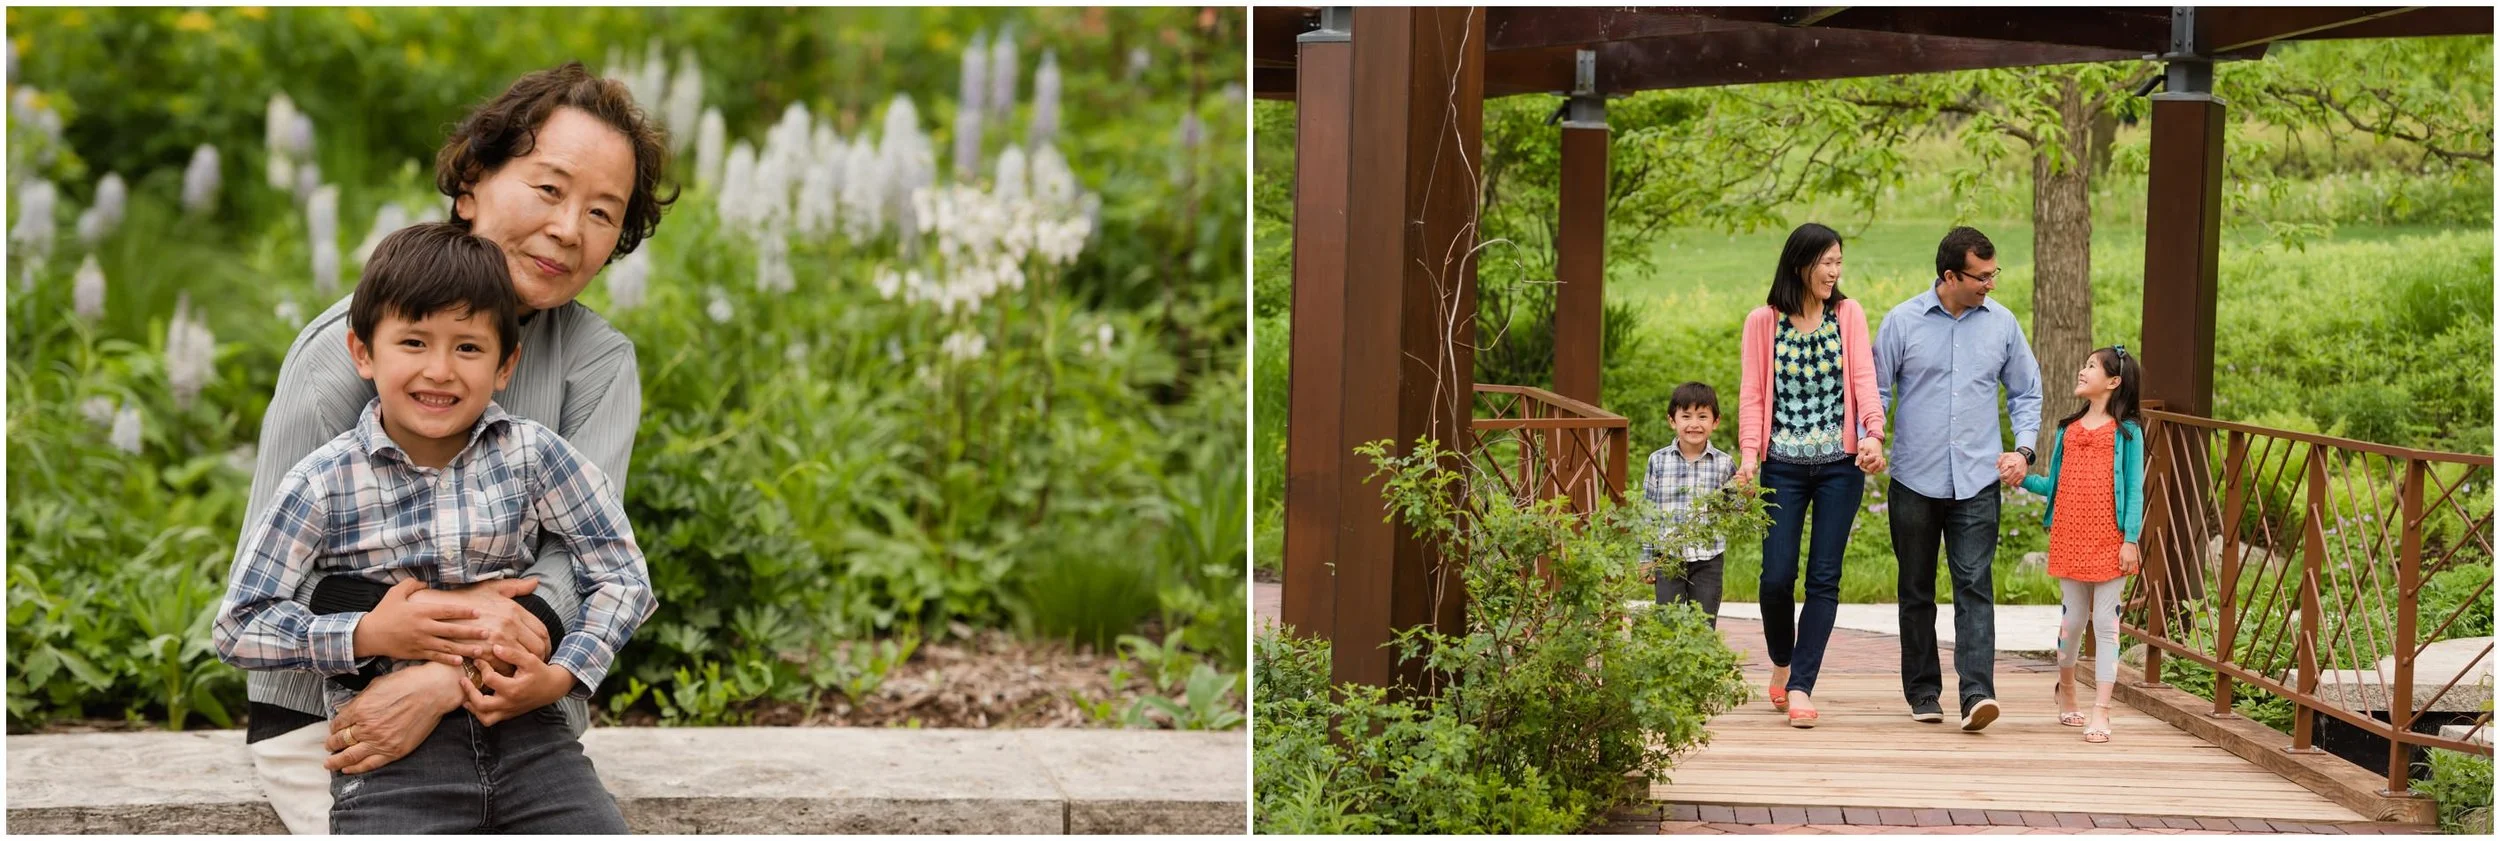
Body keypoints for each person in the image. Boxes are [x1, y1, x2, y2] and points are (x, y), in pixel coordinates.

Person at [232, 60, 673, 832]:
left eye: (603, 214)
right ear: (472, 183)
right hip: (338, 717)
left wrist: (445, 674)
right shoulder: (344, 358)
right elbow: (281, 592)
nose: (570, 229)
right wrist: (407, 646)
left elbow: (582, 563)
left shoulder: (600, 363)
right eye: (548, 188)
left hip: (514, 705)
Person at [1873, 226, 2044, 732]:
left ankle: (1977, 694)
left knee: (1974, 586)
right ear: (1950, 275)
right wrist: (1871, 435)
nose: (1991, 283)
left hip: (1977, 480)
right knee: (1916, 588)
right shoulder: (1902, 322)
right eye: (1982, 276)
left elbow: (2026, 393)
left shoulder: (2003, 325)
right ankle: (1924, 691)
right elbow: (1877, 390)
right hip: (1913, 478)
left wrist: (2024, 449)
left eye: (1994, 274)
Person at [1735, 222, 1888, 729]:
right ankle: (1783, 658)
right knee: (1776, 577)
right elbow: (1753, 394)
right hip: (1781, 466)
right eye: (1828, 262)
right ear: (1800, 263)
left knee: (1825, 577)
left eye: (1839, 263)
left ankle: (1801, 684)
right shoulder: (1764, 321)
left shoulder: (1848, 315)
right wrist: (1750, 457)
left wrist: (1872, 433)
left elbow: (1864, 379)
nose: (1835, 272)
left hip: (1840, 467)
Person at [2018, 346, 2146, 744]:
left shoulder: (2128, 433)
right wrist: (2018, 475)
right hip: (2070, 536)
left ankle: (2102, 710)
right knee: (2073, 622)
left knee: (2106, 625)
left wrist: (2130, 540)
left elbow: (2134, 492)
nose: (2082, 369)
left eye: (2091, 366)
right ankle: (2067, 688)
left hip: (2110, 541)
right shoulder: (2067, 430)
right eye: (2084, 363)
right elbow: (2052, 486)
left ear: (2113, 381)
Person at [1641, 382, 1737, 628]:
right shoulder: (1658, 461)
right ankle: (1666, 666)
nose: (1694, 424)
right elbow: (1647, 512)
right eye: (1686, 416)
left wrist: (1745, 494)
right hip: (1668, 557)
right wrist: (1646, 558)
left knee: (1702, 625)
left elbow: (1734, 509)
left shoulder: (1724, 464)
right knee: (1666, 623)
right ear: (1672, 421)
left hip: (1709, 558)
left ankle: (1700, 667)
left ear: (1715, 422)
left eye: (1702, 416)